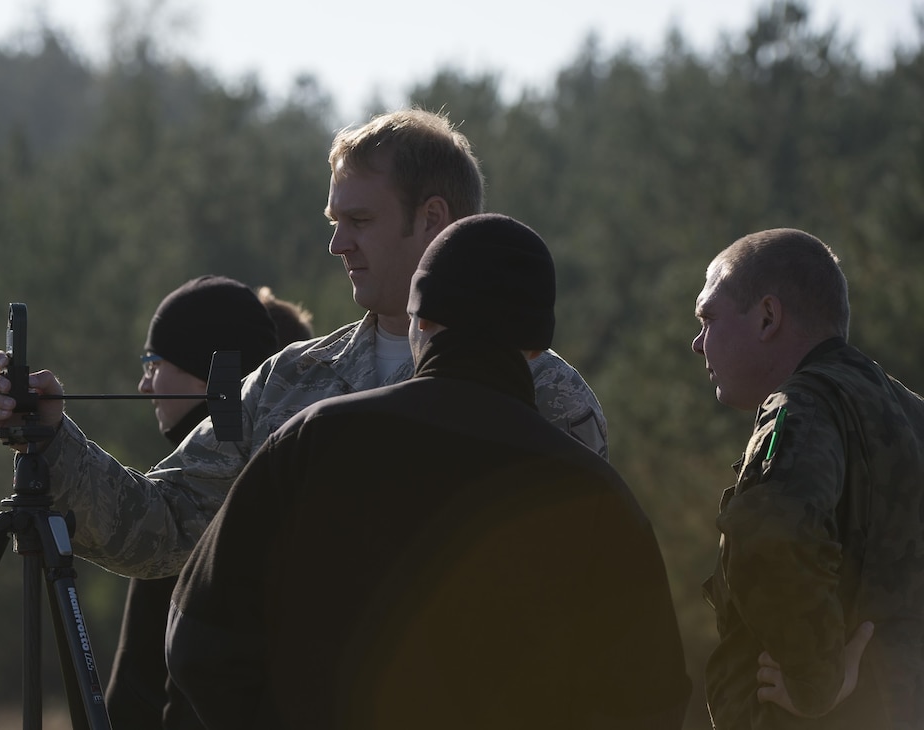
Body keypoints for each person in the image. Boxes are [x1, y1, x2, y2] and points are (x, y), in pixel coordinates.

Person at [0, 107, 607, 583]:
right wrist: (54, 441)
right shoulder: (289, 382)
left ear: (433, 219)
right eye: (334, 224)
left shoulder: (546, 396)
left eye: (359, 221)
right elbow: (165, 526)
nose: (338, 246)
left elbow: (579, 588)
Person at [165, 213, 691, 730]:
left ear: (421, 322)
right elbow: (649, 701)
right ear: (534, 347)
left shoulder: (313, 440)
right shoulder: (593, 495)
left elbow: (197, 634)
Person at [692, 227, 924, 729]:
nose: (697, 342)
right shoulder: (910, 415)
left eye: (708, 317)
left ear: (768, 317)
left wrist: (815, 680)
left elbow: (771, 531)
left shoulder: (801, 405)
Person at [104, 277, 312, 728]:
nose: (143, 384)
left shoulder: (190, 500)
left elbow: (136, 693)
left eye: (153, 361)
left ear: (207, 370)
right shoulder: (298, 474)